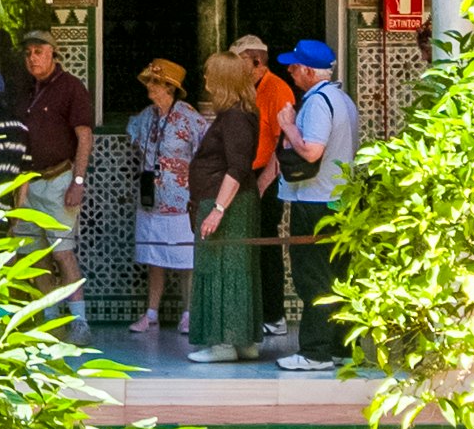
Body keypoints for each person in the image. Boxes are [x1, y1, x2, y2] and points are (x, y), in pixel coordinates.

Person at [261, 37, 357, 365]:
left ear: (307, 70)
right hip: (339, 199)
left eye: (294, 66)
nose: (289, 71)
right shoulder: (342, 99)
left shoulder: (317, 103)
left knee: (312, 276)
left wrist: (287, 125)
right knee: (337, 276)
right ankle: (341, 349)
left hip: (316, 202)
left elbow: (312, 151)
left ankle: (315, 352)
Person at [188, 38, 272, 360]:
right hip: (232, 205)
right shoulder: (239, 114)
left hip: (226, 206)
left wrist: (218, 210)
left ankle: (223, 343)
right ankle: (243, 342)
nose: (206, 82)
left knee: (222, 268)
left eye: (210, 76)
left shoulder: (235, 117)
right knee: (238, 269)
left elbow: (236, 169)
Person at [3, 34, 94, 300]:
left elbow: (85, 137)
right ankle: (50, 316)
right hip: (28, 183)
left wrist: (77, 182)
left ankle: (79, 321)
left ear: (54, 54)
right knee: (33, 252)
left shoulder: (70, 87)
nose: (32, 58)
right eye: (28, 53)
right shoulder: (27, 89)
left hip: (59, 179)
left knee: (62, 252)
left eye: (39, 51)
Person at [125, 59, 207, 353]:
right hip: (151, 198)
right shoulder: (145, 117)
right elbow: (134, 137)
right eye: (149, 81)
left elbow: (204, 148)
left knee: (186, 257)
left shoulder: (188, 117)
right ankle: (151, 313)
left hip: (181, 198)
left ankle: (189, 313)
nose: (150, 86)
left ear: (170, 88)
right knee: (154, 254)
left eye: (156, 82)